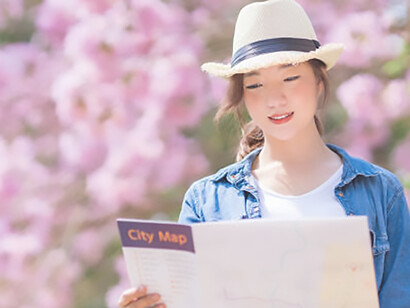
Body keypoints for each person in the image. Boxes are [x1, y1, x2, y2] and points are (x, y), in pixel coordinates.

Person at [117, 0, 410, 307]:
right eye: (255, 84)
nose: (274, 99)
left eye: (290, 78)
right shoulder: (206, 202)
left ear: (319, 82)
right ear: (241, 95)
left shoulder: (380, 193)